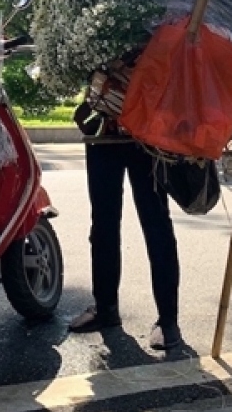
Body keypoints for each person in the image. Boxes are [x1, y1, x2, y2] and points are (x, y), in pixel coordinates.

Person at [68, 97, 183, 350]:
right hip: (102, 130)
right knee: (102, 224)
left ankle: (168, 319)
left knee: (156, 224)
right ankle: (106, 308)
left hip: (145, 132)